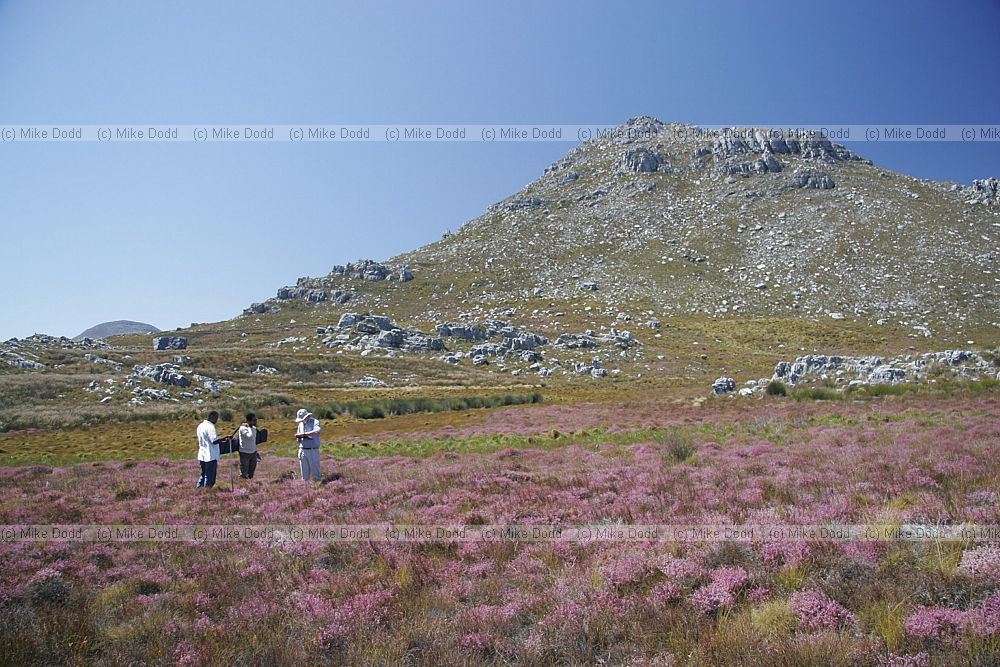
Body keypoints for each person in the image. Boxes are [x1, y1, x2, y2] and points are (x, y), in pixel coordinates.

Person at [294, 408, 322, 482]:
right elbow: (299, 437)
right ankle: (305, 487)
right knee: (304, 474)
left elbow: (317, 432)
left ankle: (318, 486)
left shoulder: (315, 422)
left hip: (312, 450)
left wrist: (304, 434)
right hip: (302, 450)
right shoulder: (300, 424)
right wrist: (298, 437)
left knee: (316, 472)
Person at [196, 410, 220, 488]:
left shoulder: (200, 426)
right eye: (216, 418)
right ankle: (207, 492)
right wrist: (224, 440)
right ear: (211, 417)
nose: (216, 420)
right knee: (210, 477)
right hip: (210, 455)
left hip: (202, 454)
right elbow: (214, 440)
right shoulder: (210, 427)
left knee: (203, 474)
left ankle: (199, 489)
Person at [237, 413, 259, 480]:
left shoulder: (254, 428)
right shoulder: (243, 428)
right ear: (249, 421)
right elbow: (250, 437)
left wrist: (251, 427)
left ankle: (250, 485)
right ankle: (242, 485)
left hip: (253, 452)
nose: (256, 422)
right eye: (254, 420)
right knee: (244, 472)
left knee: (251, 471)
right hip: (245, 452)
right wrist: (249, 427)